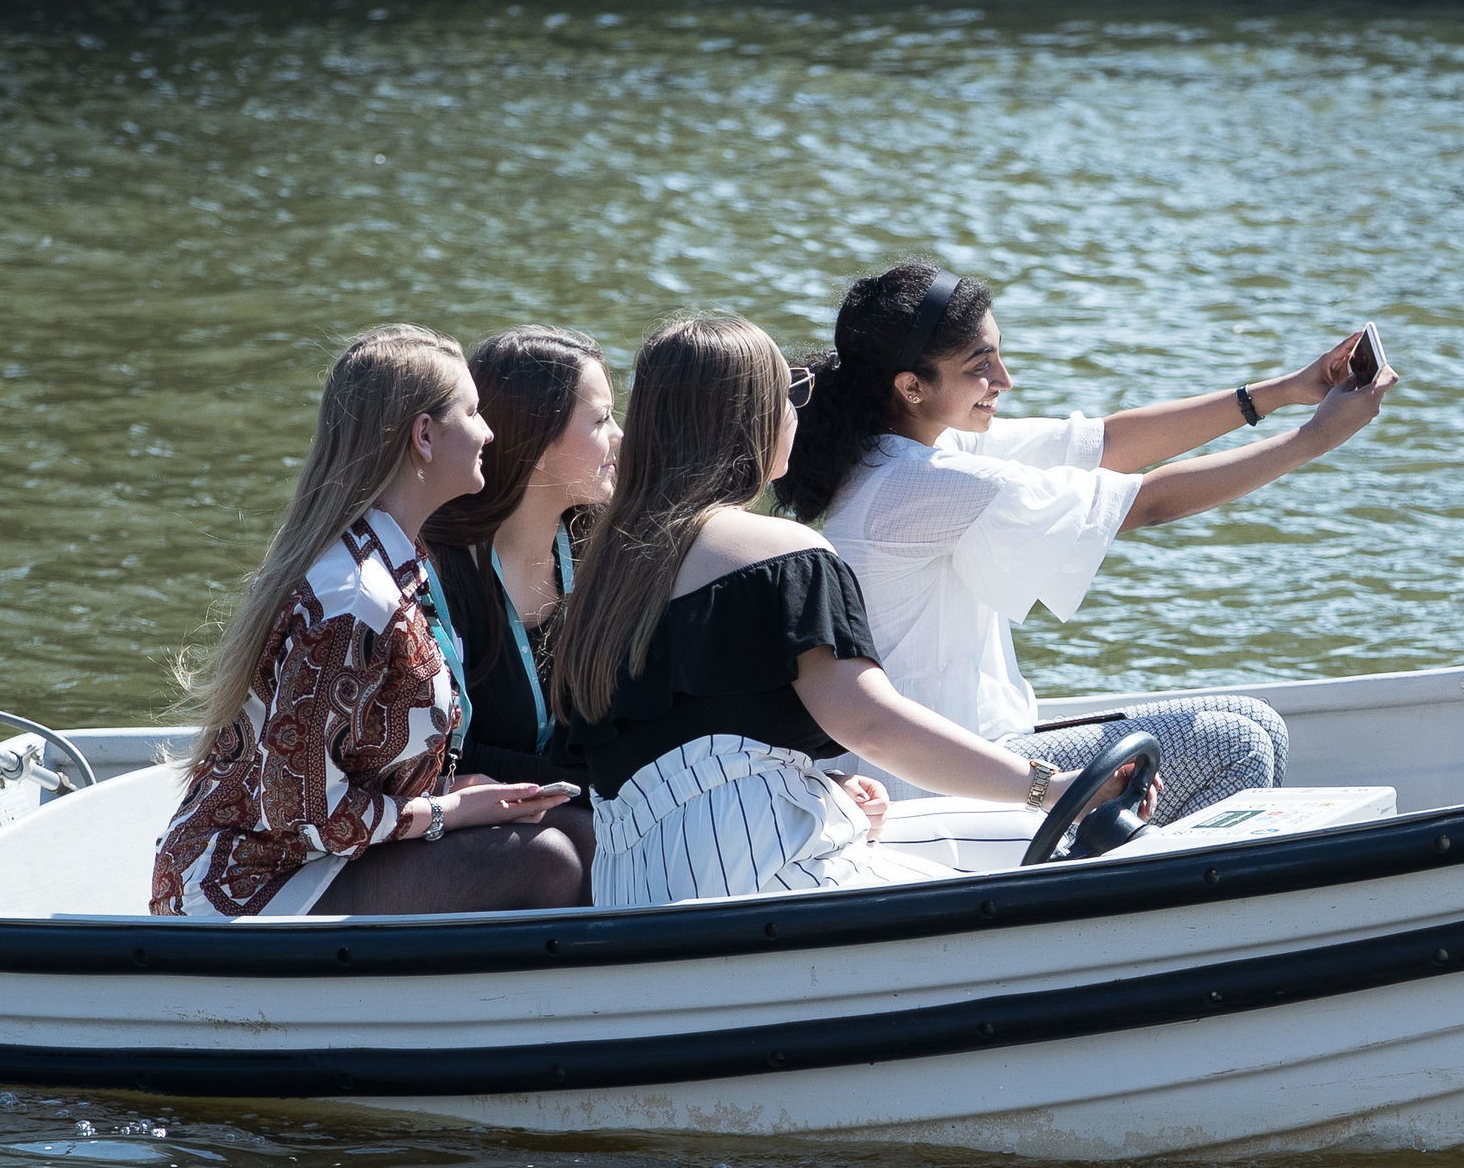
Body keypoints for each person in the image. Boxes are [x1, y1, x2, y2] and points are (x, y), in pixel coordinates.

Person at [775, 262, 1395, 819]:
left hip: (968, 752)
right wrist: (1317, 439)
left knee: (1256, 721)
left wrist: (1288, 389)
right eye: (980, 366)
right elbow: (1146, 503)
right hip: (940, 785)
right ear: (911, 387)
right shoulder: (923, 481)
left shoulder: (908, 446)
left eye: (997, 354)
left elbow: (1109, 445)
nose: (1005, 379)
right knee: (1235, 744)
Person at [548, 314, 1074, 907]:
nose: (799, 412)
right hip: (767, 884)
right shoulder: (785, 553)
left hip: (635, 894)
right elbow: (873, 726)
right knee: (1069, 857)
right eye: (790, 394)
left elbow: (688, 742)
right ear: (752, 418)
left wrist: (824, 782)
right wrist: (1047, 788)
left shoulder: (607, 573)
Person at [151, 326, 574, 918]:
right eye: (473, 413)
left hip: (323, 857)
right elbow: (302, 811)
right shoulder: (354, 599)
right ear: (424, 436)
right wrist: (448, 812)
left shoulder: (395, 561)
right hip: (250, 891)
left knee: (571, 831)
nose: (489, 432)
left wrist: (450, 792)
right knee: (549, 861)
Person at [395, 326, 619, 910]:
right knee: (584, 845)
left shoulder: (600, 549)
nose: (620, 439)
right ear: (538, 442)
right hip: (435, 826)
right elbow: (440, 758)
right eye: (600, 422)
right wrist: (601, 785)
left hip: (561, 808)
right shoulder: (431, 572)